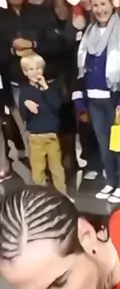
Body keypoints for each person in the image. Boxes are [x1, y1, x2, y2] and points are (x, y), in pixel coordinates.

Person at [72, 0, 120, 204]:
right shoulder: (87, 32)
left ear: (112, 4)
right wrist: (79, 98)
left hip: (116, 100)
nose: (99, 9)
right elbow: (79, 68)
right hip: (94, 100)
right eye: (95, 5)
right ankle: (111, 181)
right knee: (104, 146)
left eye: (103, 4)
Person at [19, 53, 67, 194]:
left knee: (57, 168)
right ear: (25, 72)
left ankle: (62, 194)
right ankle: (40, 195)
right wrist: (25, 104)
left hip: (52, 135)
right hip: (35, 136)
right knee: (37, 169)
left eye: (38, 68)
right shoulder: (25, 91)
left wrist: (46, 87)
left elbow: (57, 106)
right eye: (31, 69)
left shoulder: (51, 88)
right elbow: (24, 115)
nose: (35, 72)